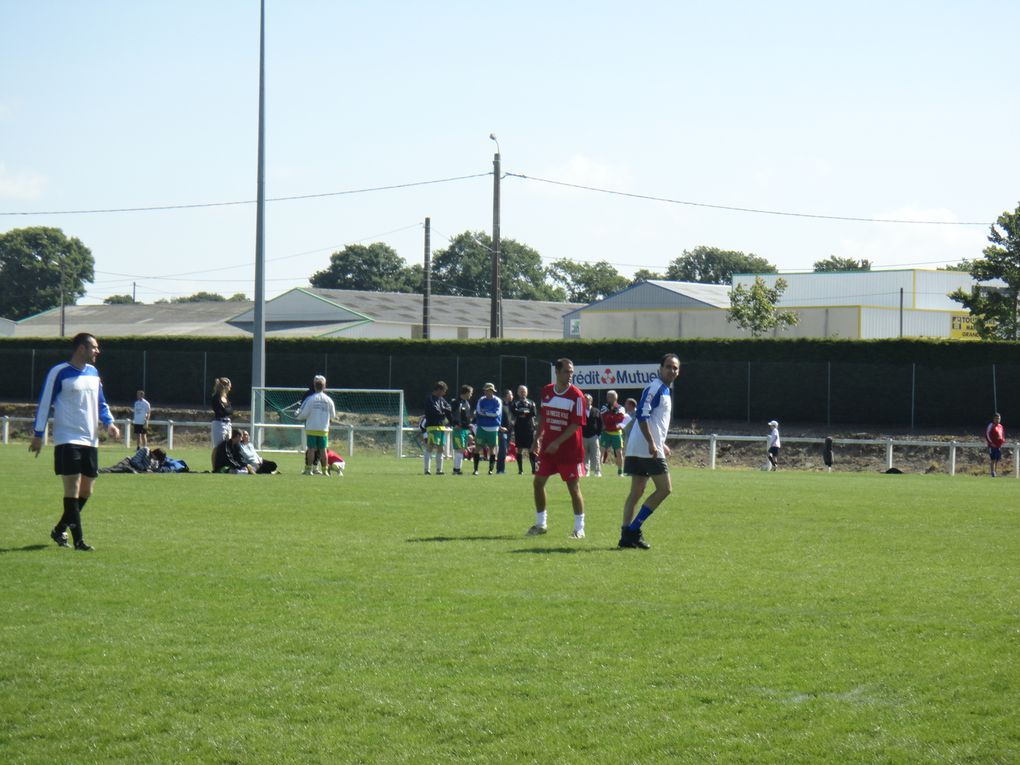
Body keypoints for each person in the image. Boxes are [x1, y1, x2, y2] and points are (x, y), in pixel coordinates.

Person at [30, 332, 121, 552]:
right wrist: (38, 433)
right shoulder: (59, 372)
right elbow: (45, 403)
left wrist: (109, 422)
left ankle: (59, 528)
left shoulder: (93, 373)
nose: (98, 351)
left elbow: (101, 402)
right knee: (72, 488)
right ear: (82, 348)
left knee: (87, 490)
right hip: (67, 439)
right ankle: (79, 541)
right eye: (94, 347)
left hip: (90, 440)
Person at [619, 353, 681, 550]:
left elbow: (653, 420)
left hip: (639, 446)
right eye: (668, 366)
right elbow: (642, 415)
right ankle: (633, 530)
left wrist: (660, 442)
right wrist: (653, 444)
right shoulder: (655, 388)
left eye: (675, 368)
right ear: (660, 368)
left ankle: (625, 535)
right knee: (665, 489)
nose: (672, 370)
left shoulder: (663, 390)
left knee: (636, 491)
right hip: (646, 448)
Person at [528, 358, 587, 539]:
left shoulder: (577, 396)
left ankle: (579, 528)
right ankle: (541, 524)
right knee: (538, 483)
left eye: (571, 372)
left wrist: (557, 442)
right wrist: (537, 438)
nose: (570, 375)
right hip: (548, 450)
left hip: (569, 452)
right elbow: (544, 417)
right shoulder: (546, 391)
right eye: (566, 371)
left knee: (573, 488)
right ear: (557, 372)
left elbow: (576, 424)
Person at [296, 375, 336, 475]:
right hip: (323, 429)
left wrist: (297, 415)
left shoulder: (310, 399)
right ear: (324, 387)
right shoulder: (329, 400)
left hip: (312, 428)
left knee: (311, 449)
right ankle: (325, 470)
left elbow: (303, 414)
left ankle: (308, 469)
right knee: (323, 450)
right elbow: (333, 415)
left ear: (314, 386)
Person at [422, 380, 454, 475]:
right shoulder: (430, 399)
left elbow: (448, 408)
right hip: (432, 427)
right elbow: (435, 411)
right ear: (439, 390)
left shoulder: (441, 399)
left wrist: (444, 411)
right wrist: (444, 412)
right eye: (444, 391)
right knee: (430, 447)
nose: (445, 393)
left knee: (441, 448)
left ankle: (439, 470)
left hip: (441, 427)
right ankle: (427, 469)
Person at [473, 382, 502, 475]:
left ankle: (490, 470)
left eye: (488, 390)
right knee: (477, 447)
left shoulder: (497, 400)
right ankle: (476, 469)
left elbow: (496, 413)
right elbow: (478, 411)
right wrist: (489, 413)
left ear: (492, 391)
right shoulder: (481, 400)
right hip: (481, 427)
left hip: (493, 428)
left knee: (492, 449)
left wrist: (486, 413)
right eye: (485, 390)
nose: (486, 392)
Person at [510, 385, 538, 476]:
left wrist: (522, 413)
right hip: (519, 429)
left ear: (527, 392)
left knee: (531, 449)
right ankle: (520, 470)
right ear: (518, 392)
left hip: (529, 428)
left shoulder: (531, 402)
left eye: (524, 391)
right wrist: (525, 412)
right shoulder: (515, 403)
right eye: (521, 391)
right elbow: (514, 412)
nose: (523, 393)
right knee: (519, 449)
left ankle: (534, 469)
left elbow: (533, 413)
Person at [599, 389, 627, 477]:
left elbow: (620, 419)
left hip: (616, 433)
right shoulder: (604, 407)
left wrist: (610, 416)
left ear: (615, 397)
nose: (608, 398)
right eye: (607, 397)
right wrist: (613, 417)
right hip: (606, 433)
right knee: (601, 452)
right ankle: (598, 471)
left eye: (610, 397)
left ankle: (620, 471)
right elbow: (605, 419)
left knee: (619, 453)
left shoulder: (621, 408)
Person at [210, 377, 233, 469]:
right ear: (225, 386)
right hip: (219, 424)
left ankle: (225, 465)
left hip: (228, 423)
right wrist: (226, 411)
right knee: (218, 446)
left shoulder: (226, 398)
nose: (230, 388)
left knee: (228, 445)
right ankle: (214, 467)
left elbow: (229, 411)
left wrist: (226, 411)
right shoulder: (216, 398)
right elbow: (221, 412)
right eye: (229, 386)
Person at [451, 385, 474, 475]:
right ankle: (456, 470)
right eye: (471, 393)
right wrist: (455, 424)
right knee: (459, 449)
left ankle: (458, 469)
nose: (471, 395)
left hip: (465, 430)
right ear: (467, 393)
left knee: (462, 449)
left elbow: (467, 417)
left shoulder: (466, 403)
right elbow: (453, 415)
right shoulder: (456, 402)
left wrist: (469, 426)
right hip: (458, 430)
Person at [581, 393, 603, 477]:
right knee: (584, 455)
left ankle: (597, 472)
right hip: (583, 436)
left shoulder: (596, 411)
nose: (586, 402)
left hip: (594, 437)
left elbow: (600, 423)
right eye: (585, 400)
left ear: (591, 401)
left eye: (588, 400)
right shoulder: (580, 410)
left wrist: (598, 434)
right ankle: (586, 471)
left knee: (596, 455)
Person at [496, 389, 514, 474]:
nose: (512, 396)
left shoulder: (510, 405)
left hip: (509, 431)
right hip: (501, 431)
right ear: (507, 395)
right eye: (511, 394)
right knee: (503, 450)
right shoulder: (500, 404)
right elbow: (496, 416)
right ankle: (500, 470)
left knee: (505, 450)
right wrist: (499, 427)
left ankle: (501, 469)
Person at [986, 412, 1005, 477]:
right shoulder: (991, 425)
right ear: (993, 419)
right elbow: (987, 434)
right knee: (993, 459)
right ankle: (993, 473)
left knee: (997, 459)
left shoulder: (1000, 426)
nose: (998, 420)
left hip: (998, 446)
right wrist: (991, 443)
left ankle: (995, 472)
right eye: (996, 418)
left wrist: (1002, 441)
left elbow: (1002, 434)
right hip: (992, 446)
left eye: (999, 418)